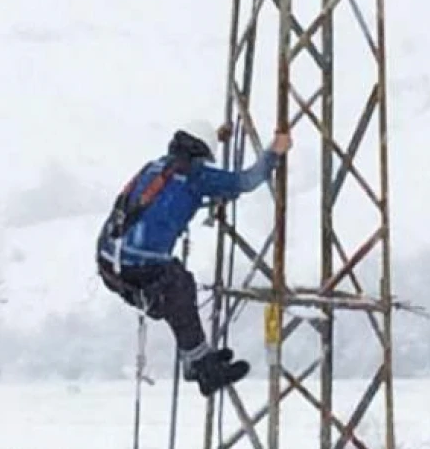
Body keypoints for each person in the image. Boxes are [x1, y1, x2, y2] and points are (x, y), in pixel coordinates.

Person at [95, 119, 292, 396]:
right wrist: (275, 152)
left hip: (108, 262)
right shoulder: (196, 176)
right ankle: (200, 365)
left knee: (175, 282)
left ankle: (196, 357)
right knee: (177, 285)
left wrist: (215, 138)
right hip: (137, 268)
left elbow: (172, 199)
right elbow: (244, 182)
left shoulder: (156, 167)